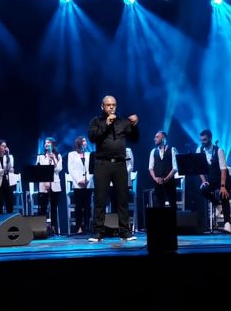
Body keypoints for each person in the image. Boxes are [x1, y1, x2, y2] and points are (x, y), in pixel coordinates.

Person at [87, 95, 139, 242]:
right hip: (102, 163)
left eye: (114, 105)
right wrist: (106, 124)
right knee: (100, 199)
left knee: (122, 199)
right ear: (102, 106)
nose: (111, 107)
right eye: (108, 105)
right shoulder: (96, 121)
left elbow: (134, 138)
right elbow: (92, 137)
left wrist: (134, 126)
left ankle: (125, 231)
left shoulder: (122, 122)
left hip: (120, 163)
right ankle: (98, 232)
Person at [196, 129, 231, 233]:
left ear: (210, 138)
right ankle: (217, 204)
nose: (202, 142)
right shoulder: (199, 150)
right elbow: (199, 169)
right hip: (212, 181)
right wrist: (204, 181)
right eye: (201, 140)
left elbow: (223, 170)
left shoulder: (219, 151)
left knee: (223, 194)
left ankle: (227, 223)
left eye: (204, 140)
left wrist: (222, 186)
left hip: (224, 179)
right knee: (203, 190)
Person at [36, 137, 62, 235]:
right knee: (43, 207)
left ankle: (54, 228)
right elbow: (39, 170)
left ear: (53, 145)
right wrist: (45, 181)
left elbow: (58, 169)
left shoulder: (58, 156)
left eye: (49, 142)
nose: (46, 144)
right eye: (45, 142)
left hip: (55, 184)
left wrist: (54, 158)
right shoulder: (41, 157)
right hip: (44, 184)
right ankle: (42, 229)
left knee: (53, 208)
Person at [67, 136, 93, 234]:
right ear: (79, 143)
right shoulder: (72, 154)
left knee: (87, 206)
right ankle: (79, 227)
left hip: (88, 184)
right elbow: (71, 169)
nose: (85, 143)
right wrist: (79, 180)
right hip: (77, 184)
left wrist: (87, 179)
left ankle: (87, 226)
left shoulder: (89, 154)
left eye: (86, 141)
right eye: (84, 141)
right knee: (78, 206)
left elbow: (92, 168)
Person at [148, 131, 178, 210]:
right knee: (159, 204)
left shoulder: (172, 150)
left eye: (157, 137)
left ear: (163, 138)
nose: (154, 139)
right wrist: (155, 178)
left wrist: (166, 179)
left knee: (172, 204)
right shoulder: (153, 151)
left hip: (169, 182)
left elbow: (175, 168)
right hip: (158, 182)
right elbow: (150, 168)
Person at [0, 139, 18, 214]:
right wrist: (4, 170)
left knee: (9, 204)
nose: (5, 147)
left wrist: (8, 155)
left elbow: (11, 168)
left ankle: (10, 220)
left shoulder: (10, 157)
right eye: (3, 146)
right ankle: (0, 220)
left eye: (5, 146)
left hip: (8, 182)